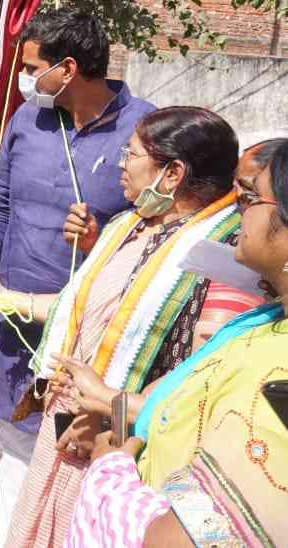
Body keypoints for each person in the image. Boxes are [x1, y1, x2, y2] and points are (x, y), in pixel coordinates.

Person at [0, 106, 242, 547]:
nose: (120, 165)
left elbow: (195, 387)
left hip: (120, 448)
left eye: (131, 154)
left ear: (172, 174)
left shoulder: (217, 259)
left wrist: (107, 414)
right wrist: (2, 298)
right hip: (69, 427)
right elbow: (77, 312)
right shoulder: (128, 227)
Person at [0, 8, 155, 548]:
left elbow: (156, 234)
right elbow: (0, 204)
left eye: (31, 68)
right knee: (12, 447)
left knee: (69, 455)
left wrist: (99, 239)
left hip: (85, 338)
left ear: (67, 69)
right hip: (11, 317)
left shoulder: (146, 131)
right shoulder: (28, 120)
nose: (25, 80)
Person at [65, 141, 288, 547]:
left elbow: (196, 538)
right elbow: (179, 398)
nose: (240, 209)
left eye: (252, 196)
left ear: (173, 173)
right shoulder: (264, 325)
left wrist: (110, 474)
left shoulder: (276, 371)